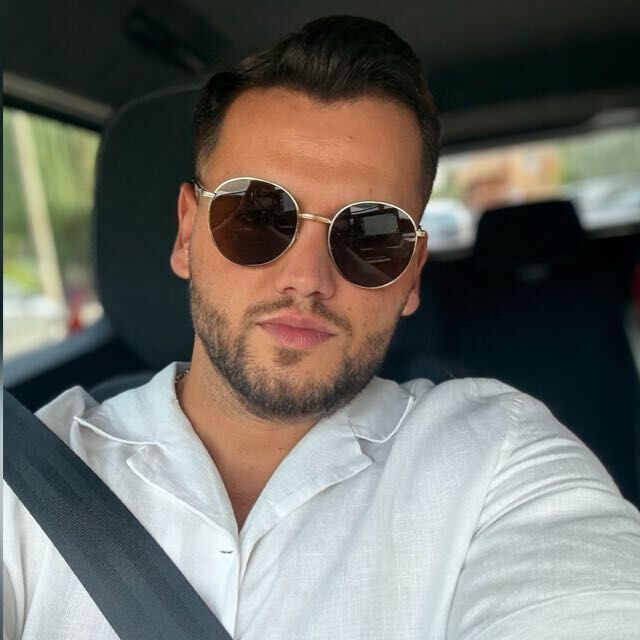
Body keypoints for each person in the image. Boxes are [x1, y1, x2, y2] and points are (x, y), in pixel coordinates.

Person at [4, 15, 640, 640]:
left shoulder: (499, 460)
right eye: (256, 215)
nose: (307, 277)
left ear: (413, 274)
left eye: (372, 234)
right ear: (187, 233)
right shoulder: (25, 482)